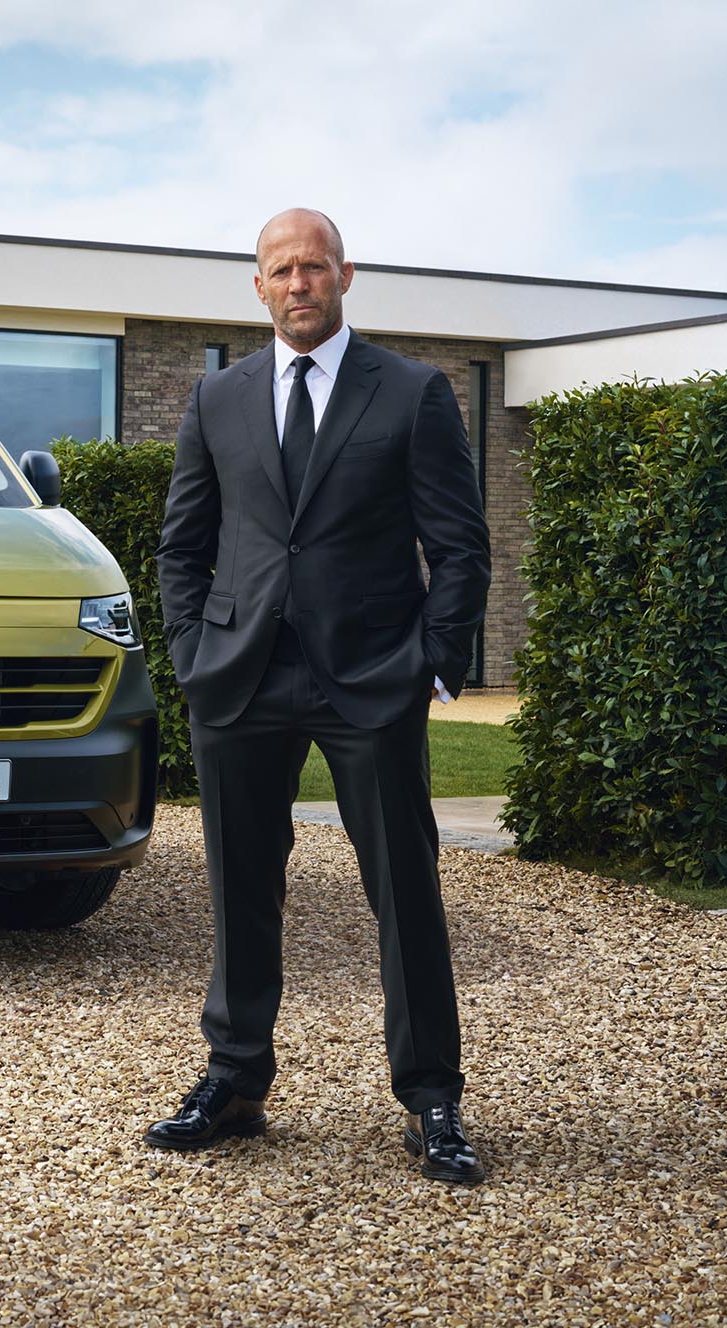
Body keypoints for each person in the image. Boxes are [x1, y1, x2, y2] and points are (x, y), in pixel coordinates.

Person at [149, 208, 492, 1184]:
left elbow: (460, 544)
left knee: (404, 889)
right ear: (257, 285)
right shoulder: (217, 396)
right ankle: (234, 1078)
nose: (298, 283)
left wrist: (432, 662)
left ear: (345, 275)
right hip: (240, 674)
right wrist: (191, 652)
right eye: (280, 269)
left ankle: (430, 1095)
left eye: (313, 266)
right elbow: (182, 544)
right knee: (239, 885)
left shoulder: (414, 391)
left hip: (371, 677)